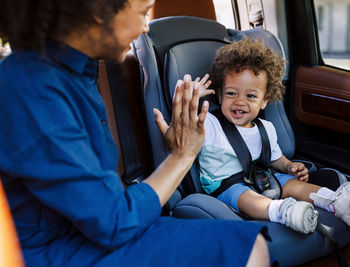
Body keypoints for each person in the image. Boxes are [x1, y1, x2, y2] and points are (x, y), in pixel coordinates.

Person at [0, 1, 271, 266]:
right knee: (244, 248)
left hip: (90, 232)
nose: (144, 27)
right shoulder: (35, 89)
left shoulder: (77, 74)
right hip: (56, 250)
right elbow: (114, 221)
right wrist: (182, 155)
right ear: (99, 9)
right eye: (142, 12)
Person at [196, 39, 350, 234]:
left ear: (265, 101)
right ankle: (286, 212)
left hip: (262, 178)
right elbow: (177, 138)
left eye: (251, 96)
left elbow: (275, 159)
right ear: (219, 95)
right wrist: (190, 102)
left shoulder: (266, 128)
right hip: (226, 187)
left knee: (290, 183)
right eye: (231, 93)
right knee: (244, 195)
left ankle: (337, 202)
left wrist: (289, 166)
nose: (240, 102)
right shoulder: (209, 123)